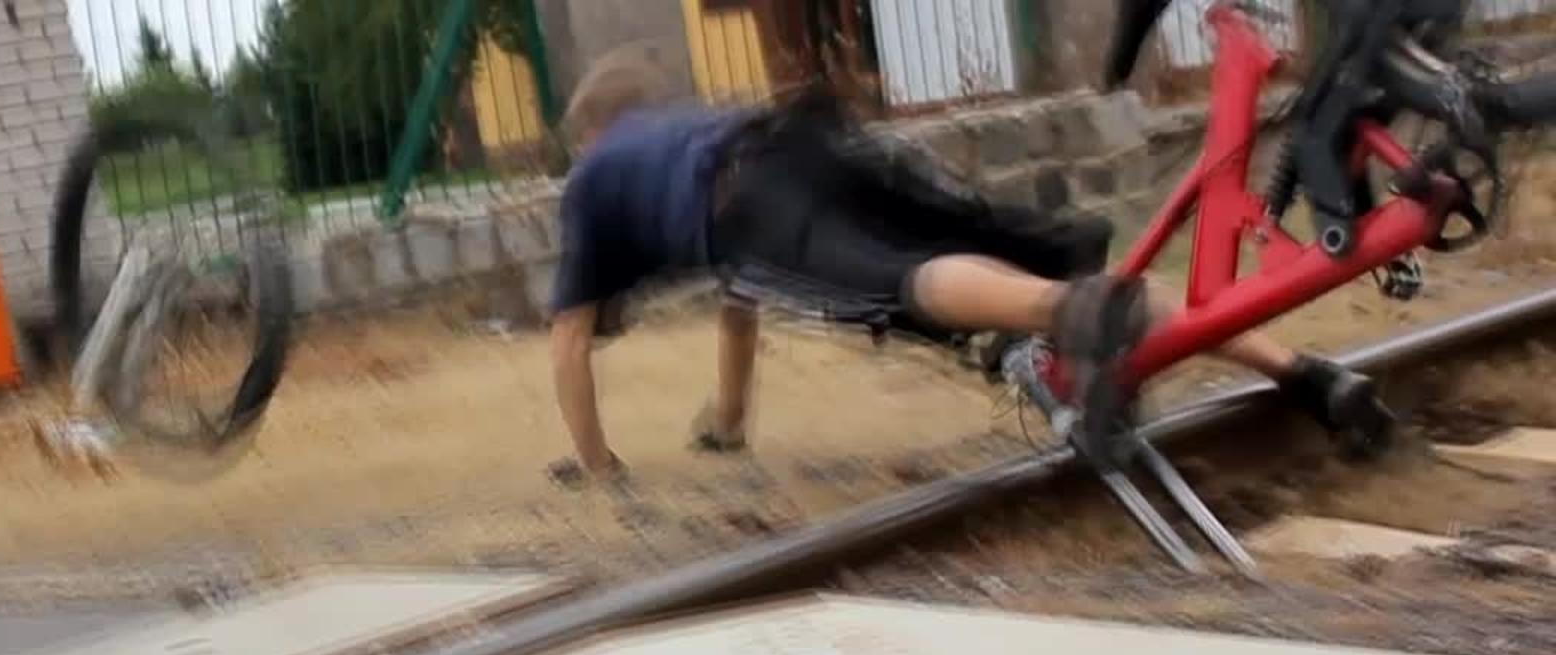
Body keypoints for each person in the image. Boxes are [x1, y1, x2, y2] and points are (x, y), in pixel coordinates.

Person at [542, 52, 1396, 488]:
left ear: (591, 133)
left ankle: (1073, 313)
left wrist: (599, 468)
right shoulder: (685, 129)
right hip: (806, 141)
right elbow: (741, 304)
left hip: (750, 201)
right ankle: (1309, 375)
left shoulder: (592, 179)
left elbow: (567, 343)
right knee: (1011, 254)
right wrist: (727, 424)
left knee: (903, 278)